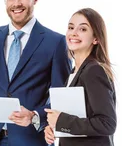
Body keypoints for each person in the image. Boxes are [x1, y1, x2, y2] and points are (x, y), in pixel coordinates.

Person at [0, 0, 71, 146]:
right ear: (5, 2)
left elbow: (61, 96)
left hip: (31, 139)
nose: (16, 3)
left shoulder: (56, 42)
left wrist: (35, 116)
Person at [44, 8, 117, 146]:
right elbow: (78, 117)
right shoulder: (74, 72)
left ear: (95, 38)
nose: (74, 33)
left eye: (82, 29)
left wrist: (61, 121)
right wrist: (55, 128)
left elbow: (107, 123)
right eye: (71, 27)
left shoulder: (94, 70)